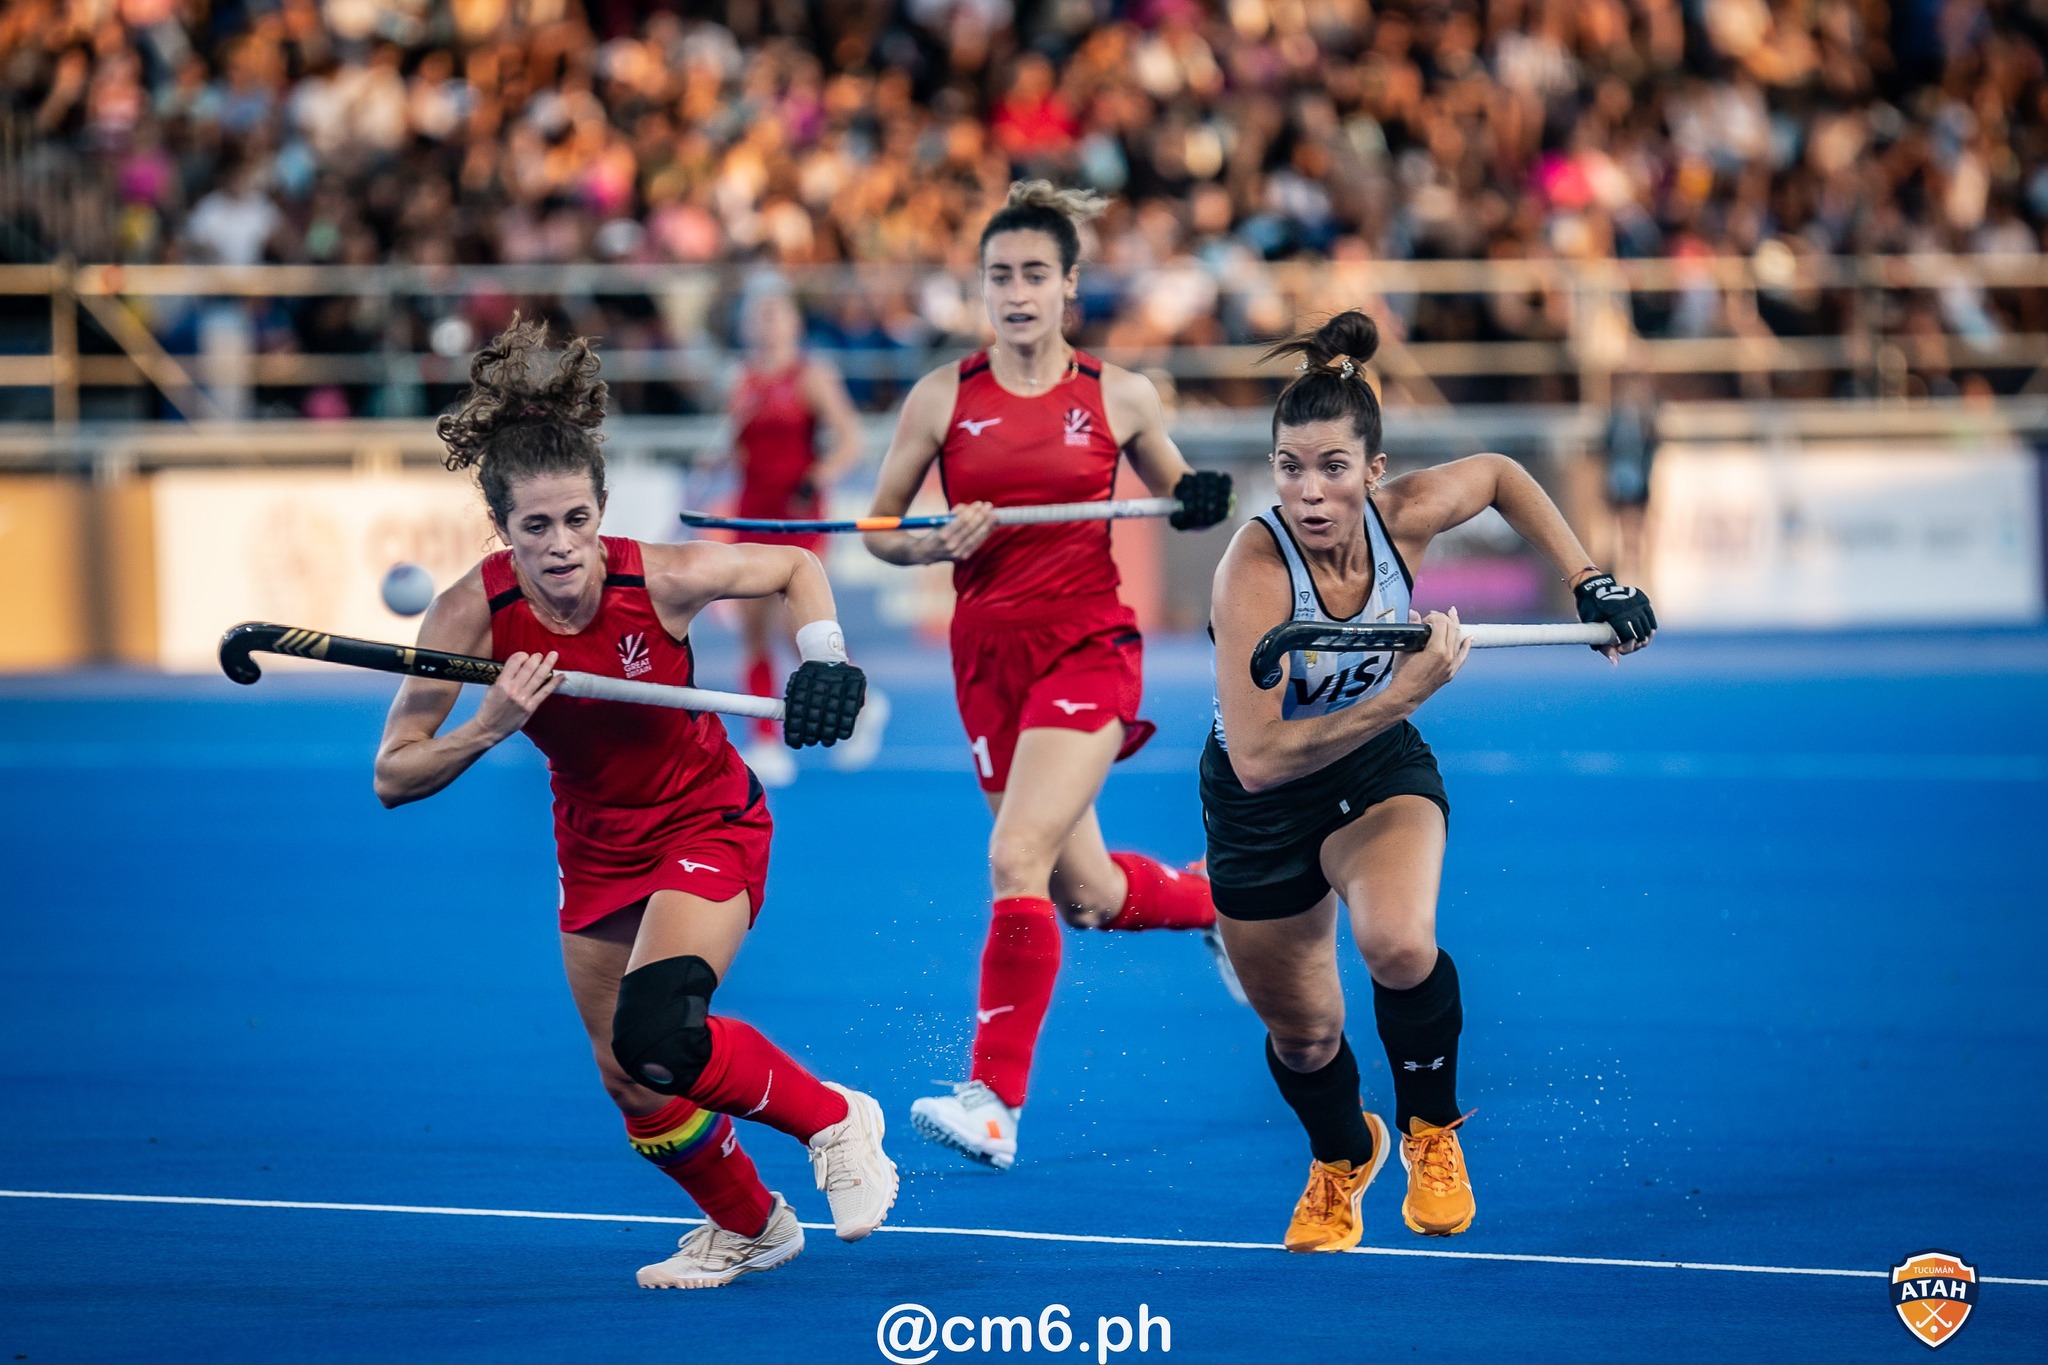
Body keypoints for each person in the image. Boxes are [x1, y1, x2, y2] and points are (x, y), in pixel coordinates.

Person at [372, 318, 896, 1289]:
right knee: (631, 1074)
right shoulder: (469, 613)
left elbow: (792, 568)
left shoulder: (657, 577)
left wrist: (824, 660)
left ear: (602, 509)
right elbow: (392, 774)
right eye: (535, 527)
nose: (562, 545)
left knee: (663, 1029)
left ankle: (833, 1119)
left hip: (706, 820)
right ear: (502, 531)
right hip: (596, 848)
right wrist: (489, 726)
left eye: (577, 519)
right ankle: (751, 1228)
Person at [1203, 311, 1656, 1253]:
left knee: (1398, 943)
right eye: (1290, 466)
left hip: (1373, 768)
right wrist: (1407, 687)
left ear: (1373, 472)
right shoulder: (1252, 569)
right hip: (1263, 795)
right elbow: (1258, 760)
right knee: (1305, 1035)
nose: (1310, 490)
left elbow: (1499, 473)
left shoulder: (1399, 515)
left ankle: (1430, 1131)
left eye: (1333, 466)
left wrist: (1585, 578)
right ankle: (1341, 1154)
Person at [861, 181, 1239, 1170]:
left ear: (1069, 285)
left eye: (1035, 273)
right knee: (1086, 894)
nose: (1017, 291)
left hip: (1087, 646)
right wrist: (932, 545)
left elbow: (1178, 493)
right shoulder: (941, 397)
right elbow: (876, 534)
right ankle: (1222, 904)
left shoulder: (1117, 394)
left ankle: (993, 1099)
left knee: (1010, 860)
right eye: (999, 276)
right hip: (984, 658)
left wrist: (1195, 497)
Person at [723, 285, 879, 787]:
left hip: (798, 516)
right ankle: (765, 742)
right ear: (747, 326)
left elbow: (851, 437)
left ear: (793, 323)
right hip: (751, 512)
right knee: (752, 630)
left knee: (799, 629)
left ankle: (861, 704)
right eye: (759, 316)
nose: (767, 324)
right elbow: (739, 450)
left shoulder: (811, 376)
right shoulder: (740, 381)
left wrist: (823, 472)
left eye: (777, 314)